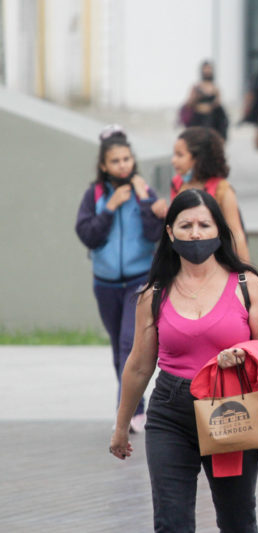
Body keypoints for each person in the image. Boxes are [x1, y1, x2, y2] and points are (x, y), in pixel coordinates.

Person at [109, 189, 258, 532]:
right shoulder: (154, 293)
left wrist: (245, 352)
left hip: (231, 406)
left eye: (204, 225)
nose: (195, 233)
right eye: (185, 225)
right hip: (170, 412)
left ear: (219, 229)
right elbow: (139, 366)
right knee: (171, 522)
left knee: (237, 520)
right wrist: (120, 427)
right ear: (170, 231)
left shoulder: (246, 284)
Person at [75, 125, 165, 433]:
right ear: (104, 165)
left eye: (127, 159)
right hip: (106, 284)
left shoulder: (144, 192)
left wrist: (144, 201)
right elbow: (88, 235)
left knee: (130, 343)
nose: (123, 165)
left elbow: (154, 234)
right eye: (115, 161)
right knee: (118, 349)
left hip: (140, 281)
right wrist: (110, 208)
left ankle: (128, 412)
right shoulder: (95, 195)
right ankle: (133, 406)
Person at [170, 126, 250, 262]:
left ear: (198, 158)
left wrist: (245, 269)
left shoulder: (222, 189)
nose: (173, 160)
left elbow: (236, 234)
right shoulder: (177, 184)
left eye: (180, 155)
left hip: (217, 262)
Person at [182, 60, 229, 140]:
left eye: (209, 69)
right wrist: (197, 97)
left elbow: (218, 103)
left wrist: (212, 104)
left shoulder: (215, 88)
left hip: (211, 120)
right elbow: (189, 103)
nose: (207, 71)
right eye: (205, 69)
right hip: (198, 119)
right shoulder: (196, 87)